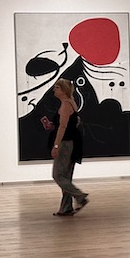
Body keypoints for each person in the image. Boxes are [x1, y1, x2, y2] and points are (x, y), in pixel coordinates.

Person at [44, 78, 88, 217]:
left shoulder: (65, 105)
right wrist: (50, 125)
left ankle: (80, 196)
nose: (54, 89)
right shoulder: (70, 102)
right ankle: (66, 208)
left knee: (57, 175)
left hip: (66, 143)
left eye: (57, 87)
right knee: (66, 177)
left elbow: (63, 127)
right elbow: (67, 124)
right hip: (72, 142)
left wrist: (56, 146)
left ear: (63, 90)